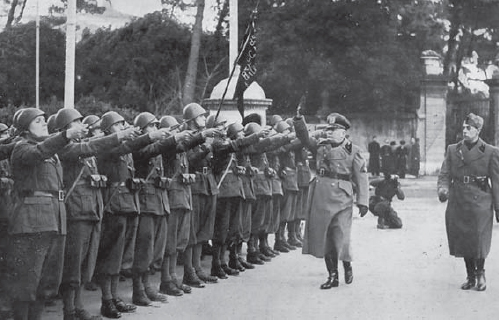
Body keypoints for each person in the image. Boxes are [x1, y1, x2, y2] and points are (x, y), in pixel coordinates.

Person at [6, 108, 87, 320]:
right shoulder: (21, 148)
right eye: (38, 121)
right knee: (27, 281)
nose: (44, 124)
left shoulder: (49, 151)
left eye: (44, 121)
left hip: (53, 218)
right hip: (31, 221)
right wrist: (64, 135)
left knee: (46, 281)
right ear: (25, 129)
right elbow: (38, 153)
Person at [294, 110, 369, 290]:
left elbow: (362, 177)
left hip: (342, 197)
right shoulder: (320, 146)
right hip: (321, 195)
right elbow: (304, 138)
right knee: (325, 237)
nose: (329, 132)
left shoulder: (354, 151)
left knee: (341, 236)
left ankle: (346, 264)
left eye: (333, 129)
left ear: (343, 133)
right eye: (328, 129)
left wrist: (363, 201)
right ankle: (332, 276)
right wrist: (299, 121)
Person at [437, 113, 499, 292]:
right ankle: (470, 275)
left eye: (469, 128)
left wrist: (498, 207)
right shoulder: (453, 149)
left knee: (478, 238)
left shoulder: (490, 151)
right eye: (463, 127)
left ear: (478, 130)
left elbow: (496, 181)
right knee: (464, 238)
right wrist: (443, 189)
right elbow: (444, 174)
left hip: (481, 201)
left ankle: (481, 274)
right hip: (458, 200)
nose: (464, 131)